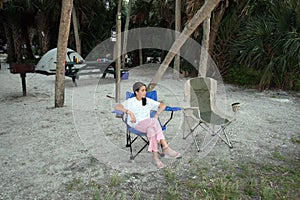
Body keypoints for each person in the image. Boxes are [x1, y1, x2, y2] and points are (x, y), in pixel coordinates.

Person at [114, 82, 181, 169]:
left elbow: (163, 105)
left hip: (148, 125)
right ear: (136, 92)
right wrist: (129, 112)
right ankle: (165, 147)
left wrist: (157, 114)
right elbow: (117, 107)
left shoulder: (147, 101)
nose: (145, 92)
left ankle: (156, 159)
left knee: (152, 131)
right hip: (136, 125)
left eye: (145, 90)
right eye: (142, 90)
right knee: (154, 121)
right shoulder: (130, 101)